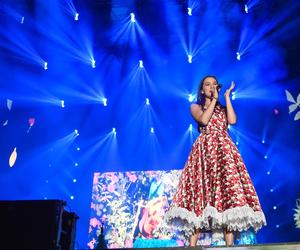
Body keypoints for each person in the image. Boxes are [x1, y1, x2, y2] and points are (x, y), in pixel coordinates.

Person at [164, 75, 266, 246]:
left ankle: (229, 245)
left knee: (228, 194)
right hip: (204, 153)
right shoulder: (195, 107)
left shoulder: (222, 108)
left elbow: (232, 120)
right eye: (207, 84)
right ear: (202, 90)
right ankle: (193, 246)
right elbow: (204, 120)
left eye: (214, 84)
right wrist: (213, 101)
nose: (211, 87)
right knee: (199, 194)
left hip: (224, 152)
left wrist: (226, 98)